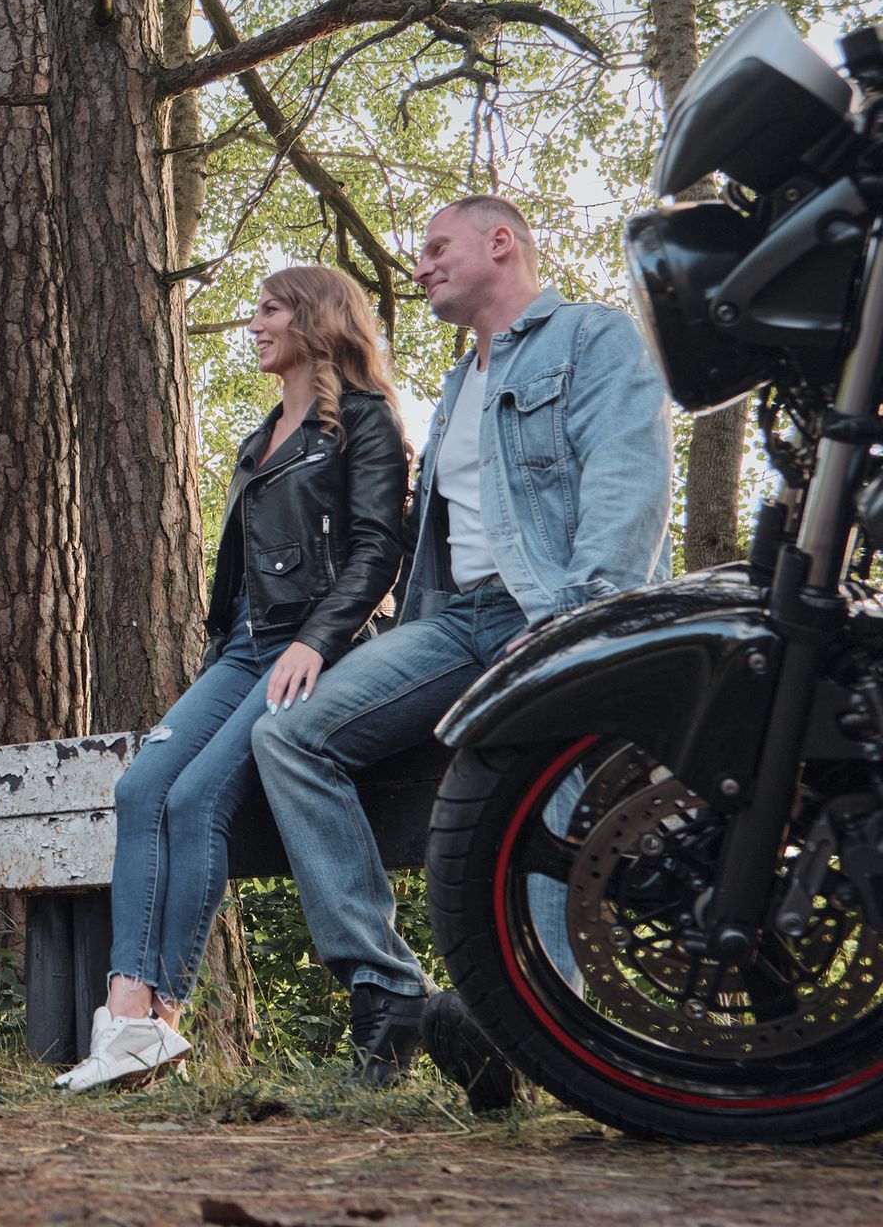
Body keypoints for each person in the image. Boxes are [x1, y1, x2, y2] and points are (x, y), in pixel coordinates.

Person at [250, 195, 674, 1089]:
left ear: (501, 242)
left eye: (437, 247)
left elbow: (628, 479)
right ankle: (387, 987)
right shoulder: (455, 381)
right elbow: (426, 535)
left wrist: (585, 619)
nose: (422, 265)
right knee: (290, 735)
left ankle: (537, 1035)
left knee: (543, 797)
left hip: (552, 611)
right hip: (454, 623)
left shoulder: (590, 338)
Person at [56, 265, 409, 1092]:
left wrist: (319, 641)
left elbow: (376, 551)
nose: (254, 324)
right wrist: (224, 654)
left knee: (197, 799)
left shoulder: (365, 421)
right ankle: (128, 1014)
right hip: (245, 646)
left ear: (315, 320)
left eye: (269, 309)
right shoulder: (262, 436)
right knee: (143, 788)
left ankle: (159, 1017)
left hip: (314, 645)